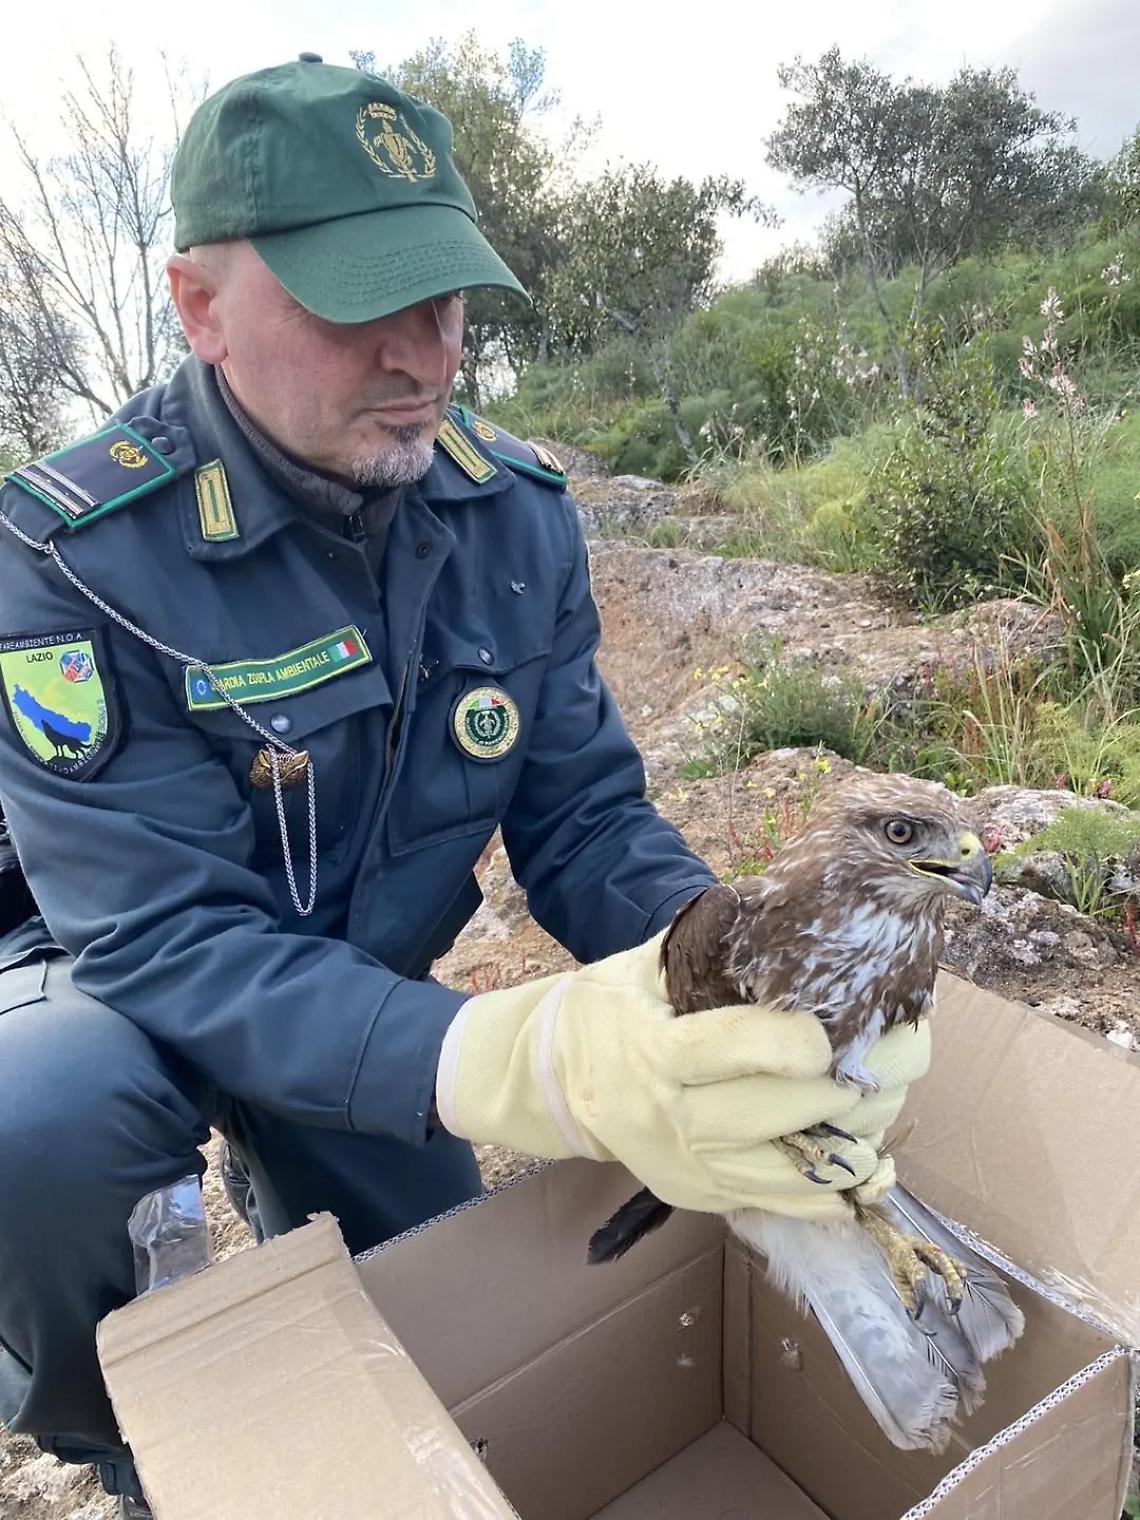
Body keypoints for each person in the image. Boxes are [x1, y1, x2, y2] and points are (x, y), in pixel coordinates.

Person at [0, 57, 929, 1516]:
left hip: (365, 990)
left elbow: (580, 813)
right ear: (200, 307)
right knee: (43, 1127)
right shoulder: (72, 555)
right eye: (361, 304)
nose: (426, 356)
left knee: (429, 1338)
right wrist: (523, 1060)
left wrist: (736, 964)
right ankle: (118, 1440)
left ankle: (299, 1168)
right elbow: (164, 934)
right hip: (114, 978)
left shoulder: (509, 513)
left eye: (444, 299)